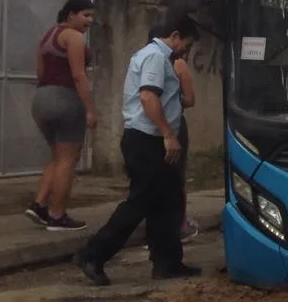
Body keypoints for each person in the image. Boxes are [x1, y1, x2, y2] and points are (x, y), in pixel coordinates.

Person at [73, 15, 203, 286]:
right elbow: (147, 97)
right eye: (186, 44)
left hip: (153, 138)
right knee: (141, 201)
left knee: (169, 201)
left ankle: (167, 262)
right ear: (176, 35)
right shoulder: (155, 56)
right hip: (148, 140)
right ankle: (93, 254)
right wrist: (168, 134)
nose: (185, 51)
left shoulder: (159, 57)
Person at [27, 0, 97, 231]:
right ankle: (57, 215)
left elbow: (40, 71)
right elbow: (79, 75)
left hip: (41, 99)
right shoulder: (74, 37)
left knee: (58, 157)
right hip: (65, 99)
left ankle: (38, 204)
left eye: (92, 16)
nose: (90, 21)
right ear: (71, 15)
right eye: (86, 15)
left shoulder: (47, 35)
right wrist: (89, 109)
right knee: (69, 159)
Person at [146, 25, 200, 243]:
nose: (185, 49)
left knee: (156, 177)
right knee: (176, 176)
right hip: (173, 125)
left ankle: (160, 225)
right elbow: (189, 99)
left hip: (150, 126)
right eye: (187, 45)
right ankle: (179, 224)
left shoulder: (144, 59)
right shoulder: (177, 64)